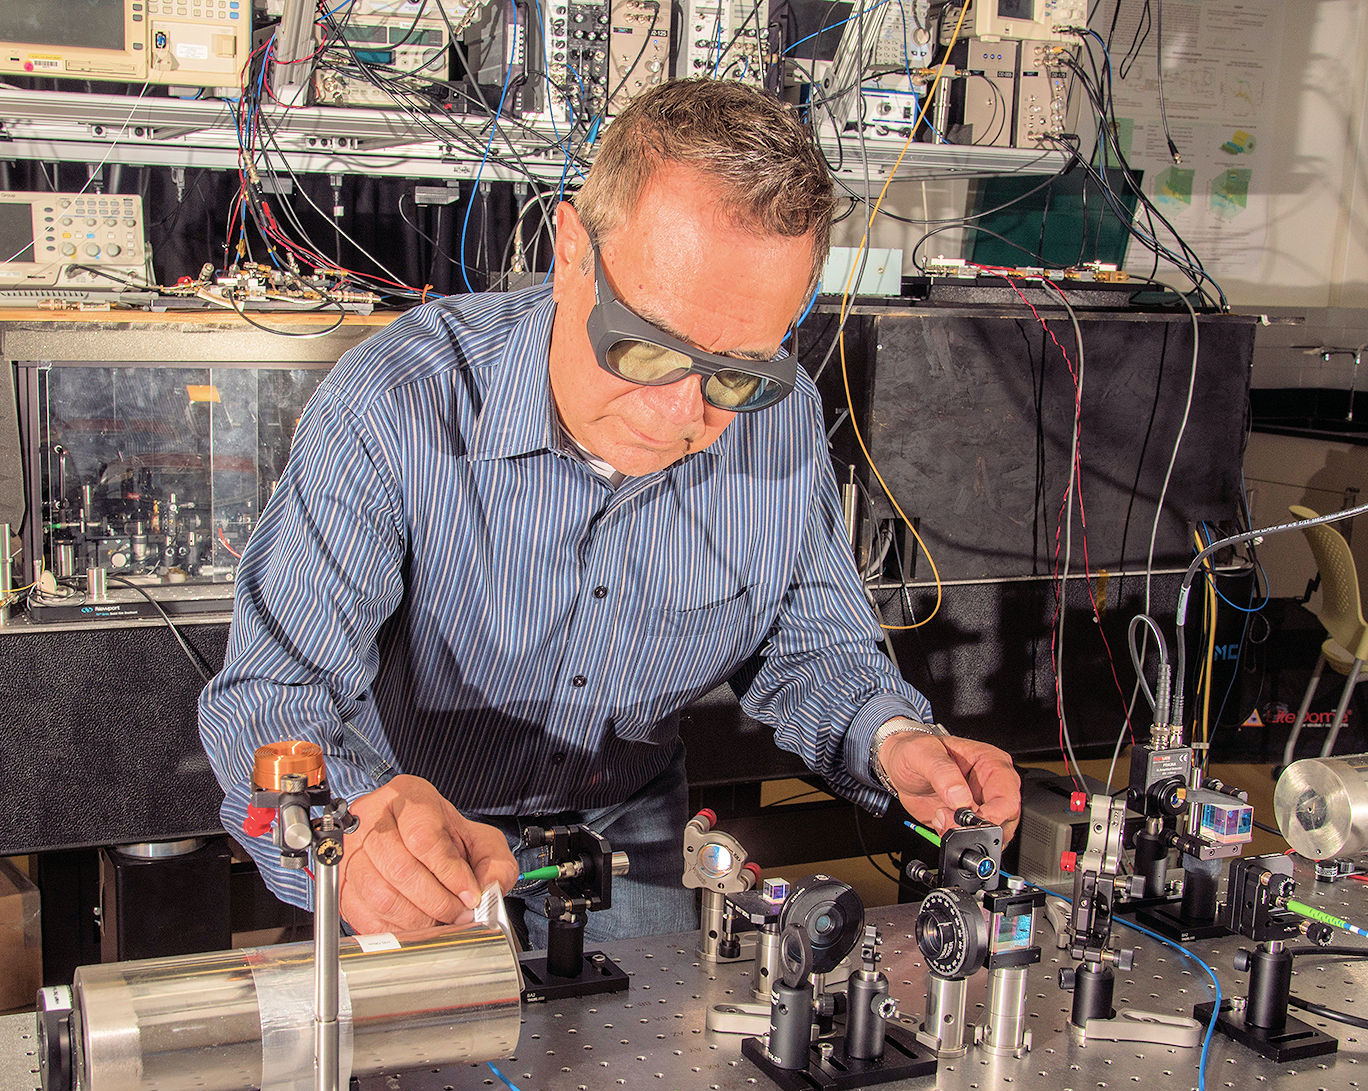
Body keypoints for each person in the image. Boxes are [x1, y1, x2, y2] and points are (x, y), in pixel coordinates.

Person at [198, 78, 1021, 945]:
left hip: (625, 824)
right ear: (571, 255)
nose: (682, 412)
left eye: (737, 371)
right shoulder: (400, 401)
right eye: (648, 347)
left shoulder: (779, 423)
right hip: (420, 819)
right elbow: (278, 690)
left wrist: (895, 740)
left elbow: (811, 644)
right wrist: (359, 831)